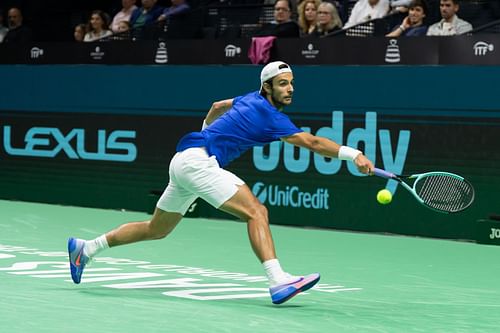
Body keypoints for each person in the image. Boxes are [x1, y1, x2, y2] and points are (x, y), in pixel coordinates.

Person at [67, 61, 374, 305]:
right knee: (256, 211)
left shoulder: (249, 98)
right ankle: (277, 279)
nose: (290, 89)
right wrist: (354, 154)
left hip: (184, 158)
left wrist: (205, 135)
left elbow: (216, 106)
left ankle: (86, 248)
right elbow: (313, 143)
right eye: (283, 84)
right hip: (198, 162)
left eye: (292, 83)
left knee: (156, 229)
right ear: (267, 87)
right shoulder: (269, 114)